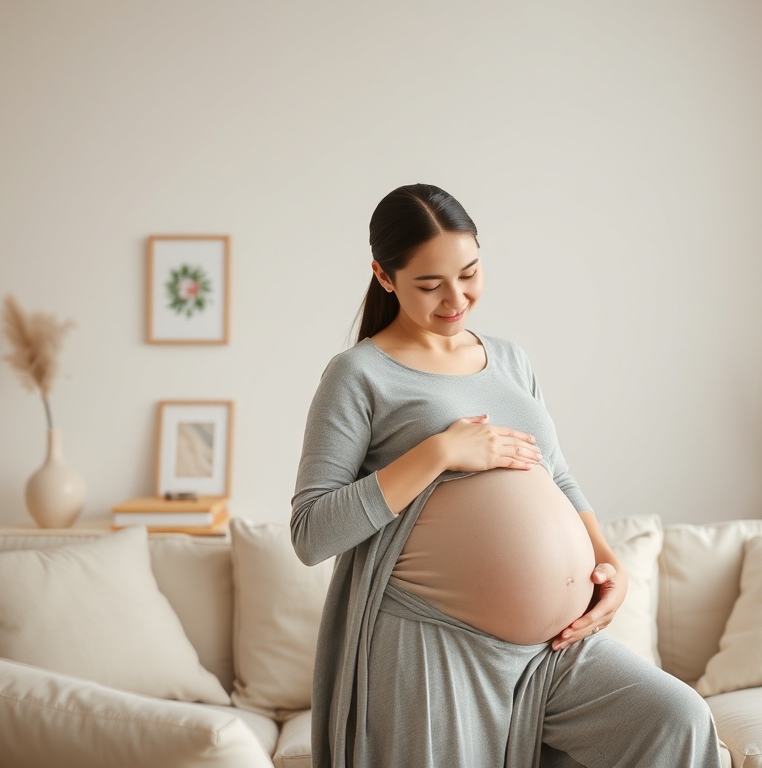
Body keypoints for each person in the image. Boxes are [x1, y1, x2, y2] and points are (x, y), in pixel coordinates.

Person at [290, 183, 720, 768]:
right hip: (433, 645)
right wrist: (439, 451)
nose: (455, 298)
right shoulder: (358, 374)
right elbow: (312, 532)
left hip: (555, 648)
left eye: (469, 272)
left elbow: (558, 477)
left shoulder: (511, 359)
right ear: (384, 277)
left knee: (675, 720)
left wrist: (607, 562)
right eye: (429, 284)